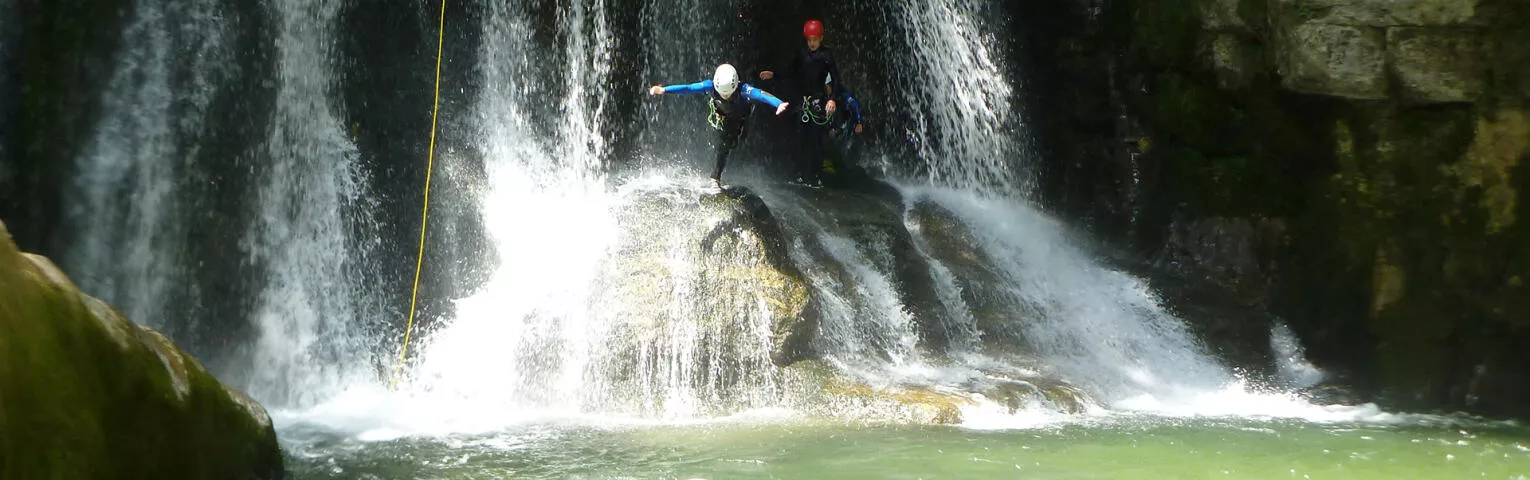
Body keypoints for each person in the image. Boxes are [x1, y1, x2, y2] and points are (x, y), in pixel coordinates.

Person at [648, 64, 791, 190]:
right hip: (724, 116)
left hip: (741, 117)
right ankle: (715, 177)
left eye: (728, 93)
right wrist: (664, 90)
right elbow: (689, 88)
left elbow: (760, 94)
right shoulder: (710, 85)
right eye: (722, 93)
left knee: (738, 139)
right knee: (724, 145)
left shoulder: (744, 89)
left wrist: (778, 103)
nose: (725, 95)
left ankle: (740, 141)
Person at [759, 19, 844, 187]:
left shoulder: (826, 55)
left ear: (821, 39)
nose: (812, 43)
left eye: (815, 40)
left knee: (816, 140)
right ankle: (800, 173)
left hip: (819, 100)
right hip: (804, 101)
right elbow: (791, 72)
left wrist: (832, 99)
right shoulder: (801, 54)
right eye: (810, 40)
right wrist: (774, 74)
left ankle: (816, 175)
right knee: (801, 138)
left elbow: (836, 79)